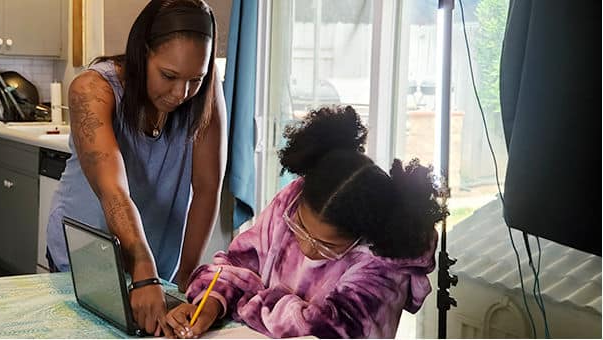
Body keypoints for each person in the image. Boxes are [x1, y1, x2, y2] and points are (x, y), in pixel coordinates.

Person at [165, 106, 445, 338]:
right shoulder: (291, 200)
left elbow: (327, 330)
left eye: (326, 246)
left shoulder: (384, 265)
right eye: (299, 228)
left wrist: (248, 298)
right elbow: (238, 264)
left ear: (363, 237)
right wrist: (212, 301)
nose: (307, 249)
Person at [45, 0, 227, 335]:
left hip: (159, 264)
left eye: (195, 80)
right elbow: (113, 190)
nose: (180, 93)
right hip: (89, 256)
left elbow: (206, 188)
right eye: (169, 76)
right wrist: (143, 269)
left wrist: (187, 283)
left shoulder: (205, 93)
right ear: (143, 53)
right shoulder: (92, 89)